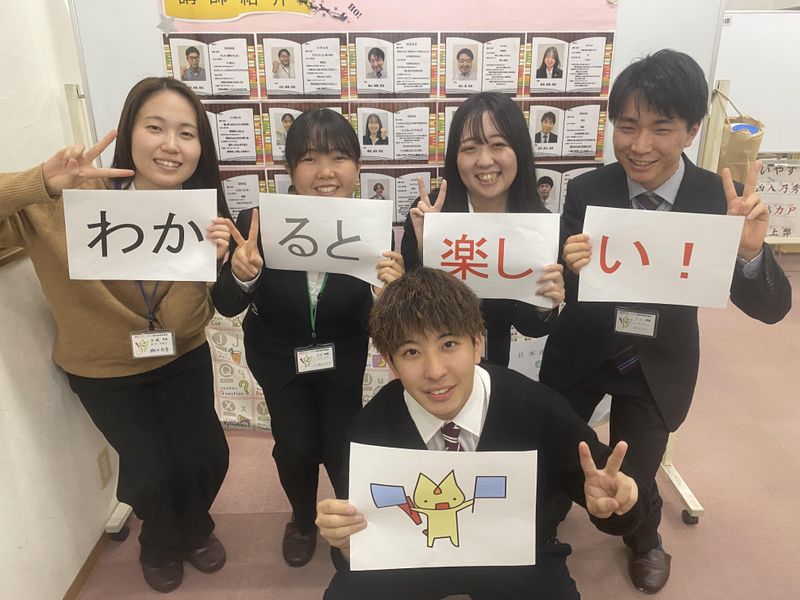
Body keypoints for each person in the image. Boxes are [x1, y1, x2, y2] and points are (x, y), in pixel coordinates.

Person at [539, 49, 792, 595]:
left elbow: (771, 309)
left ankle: (645, 538)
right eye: (627, 126)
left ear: (692, 130)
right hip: (584, 348)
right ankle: (546, 515)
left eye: (661, 128)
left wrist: (749, 252)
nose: (640, 145)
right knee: (555, 443)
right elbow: (564, 286)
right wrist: (568, 264)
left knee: (636, 468)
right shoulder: (587, 190)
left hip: (656, 361)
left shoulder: (715, 199)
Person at [0, 77, 233, 593]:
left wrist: (214, 263)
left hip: (182, 356)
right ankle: (161, 542)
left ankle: (195, 526)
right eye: (156, 128)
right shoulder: (70, 201)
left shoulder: (200, 214)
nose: (171, 145)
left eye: (187, 134)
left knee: (206, 456)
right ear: (128, 132)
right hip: (103, 369)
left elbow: (200, 311)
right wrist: (39, 181)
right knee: (149, 469)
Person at [316, 267, 651, 600]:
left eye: (449, 344)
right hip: (411, 557)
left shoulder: (536, 408)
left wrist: (620, 502)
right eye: (411, 352)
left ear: (477, 344)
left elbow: (609, 490)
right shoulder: (371, 427)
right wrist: (345, 543)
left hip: (517, 556)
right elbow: (357, 542)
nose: (435, 371)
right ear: (391, 363)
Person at [211, 108, 404, 569]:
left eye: (339, 158)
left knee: (343, 446)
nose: (325, 172)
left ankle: (345, 528)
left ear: (357, 166)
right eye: (310, 159)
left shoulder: (371, 227)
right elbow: (227, 304)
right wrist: (242, 274)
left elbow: (387, 318)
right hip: (279, 360)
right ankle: (301, 520)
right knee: (294, 447)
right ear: (289, 167)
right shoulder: (256, 221)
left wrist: (389, 291)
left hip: (342, 360)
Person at [401, 91, 565, 367]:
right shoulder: (429, 213)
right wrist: (425, 250)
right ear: (455, 156)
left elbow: (530, 327)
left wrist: (543, 303)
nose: (485, 160)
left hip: (495, 360)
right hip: (433, 361)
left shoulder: (538, 224)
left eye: (498, 145)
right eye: (470, 148)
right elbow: (412, 313)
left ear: (520, 151)